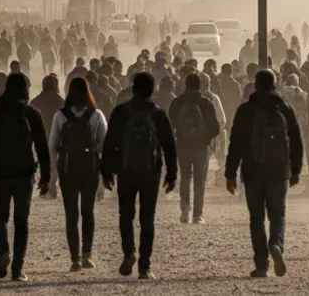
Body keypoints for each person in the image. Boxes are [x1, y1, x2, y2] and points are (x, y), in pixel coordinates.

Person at [225, 70, 304, 278]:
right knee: (278, 214)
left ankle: (261, 265)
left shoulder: (245, 110)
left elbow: (236, 143)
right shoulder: (285, 109)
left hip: (252, 171)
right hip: (279, 170)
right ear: (274, 84)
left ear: (255, 85)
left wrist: (230, 173)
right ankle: (276, 244)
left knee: (256, 218)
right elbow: (296, 140)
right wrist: (296, 169)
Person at [101, 72, 178, 280]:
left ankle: (129, 253)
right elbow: (169, 144)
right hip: (150, 172)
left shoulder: (121, 112)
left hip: (125, 171)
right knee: (147, 217)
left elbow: (109, 143)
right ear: (152, 90)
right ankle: (145, 266)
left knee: (125, 215)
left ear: (133, 88)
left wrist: (106, 171)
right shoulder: (157, 113)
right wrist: (172, 173)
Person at [0, 73, 51, 282]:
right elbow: (42, 147)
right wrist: (45, 177)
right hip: (24, 173)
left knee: (0, 217)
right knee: (21, 221)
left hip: (0, 172)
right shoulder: (31, 113)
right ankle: (18, 270)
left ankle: (3, 251)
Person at [49, 77, 108, 271]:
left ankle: (74, 258)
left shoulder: (60, 116)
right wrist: (103, 178)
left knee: (71, 213)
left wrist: (53, 177)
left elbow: (53, 148)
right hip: (89, 169)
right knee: (88, 212)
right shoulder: (96, 115)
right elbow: (103, 146)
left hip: (67, 169)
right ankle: (87, 255)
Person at [168, 73, 221, 225]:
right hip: (201, 147)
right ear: (199, 85)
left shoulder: (177, 103)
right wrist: (205, 138)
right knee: (199, 180)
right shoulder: (206, 103)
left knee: (185, 177)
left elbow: (169, 125)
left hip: (183, 146)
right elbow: (216, 128)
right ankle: (198, 215)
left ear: (186, 85)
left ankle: (185, 209)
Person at [31, 74, 63, 199]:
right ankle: (52, 186)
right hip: (56, 135)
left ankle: (46, 187)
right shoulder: (59, 100)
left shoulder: (38, 100)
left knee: (43, 162)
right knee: (54, 162)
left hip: (41, 135)